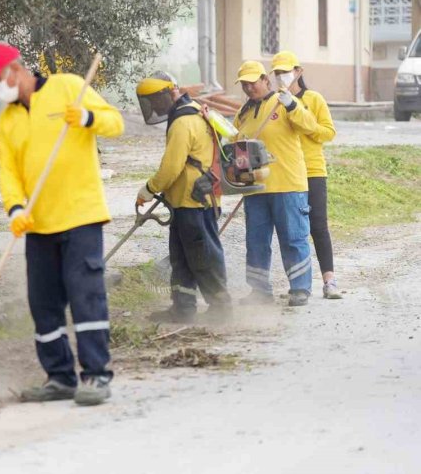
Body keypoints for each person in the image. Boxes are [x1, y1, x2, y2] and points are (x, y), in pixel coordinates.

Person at [0, 42, 124, 406]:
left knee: (84, 294)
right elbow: (8, 171)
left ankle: (95, 375)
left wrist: (88, 119)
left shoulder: (67, 87)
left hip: (80, 215)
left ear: (14, 71)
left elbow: (115, 123)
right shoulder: (8, 120)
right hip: (37, 223)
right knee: (42, 302)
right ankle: (59, 376)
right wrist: (14, 209)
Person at [134, 72, 232, 323]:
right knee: (182, 257)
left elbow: (171, 167)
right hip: (187, 200)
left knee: (203, 256)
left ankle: (221, 308)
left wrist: (149, 188)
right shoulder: (195, 109)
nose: (154, 107)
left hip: (193, 201)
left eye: (155, 101)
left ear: (167, 94)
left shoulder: (182, 122)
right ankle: (183, 308)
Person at [233, 61, 319, 307]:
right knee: (256, 241)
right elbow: (234, 143)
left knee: (293, 238)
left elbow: (309, 126)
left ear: (265, 80)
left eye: (253, 82)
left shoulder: (284, 102)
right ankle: (259, 291)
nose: (249, 88)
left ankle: (300, 288)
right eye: (245, 84)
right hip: (255, 188)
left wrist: (292, 104)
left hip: (287, 185)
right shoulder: (244, 113)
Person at [271, 51, 340, 299]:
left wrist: (302, 118)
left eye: (286, 71)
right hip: (287, 173)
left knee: (318, 225)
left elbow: (328, 133)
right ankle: (298, 283)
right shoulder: (274, 102)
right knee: (292, 230)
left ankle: (329, 280)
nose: (281, 76)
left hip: (312, 170)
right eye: (277, 73)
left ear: (298, 72)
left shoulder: (313, 98)